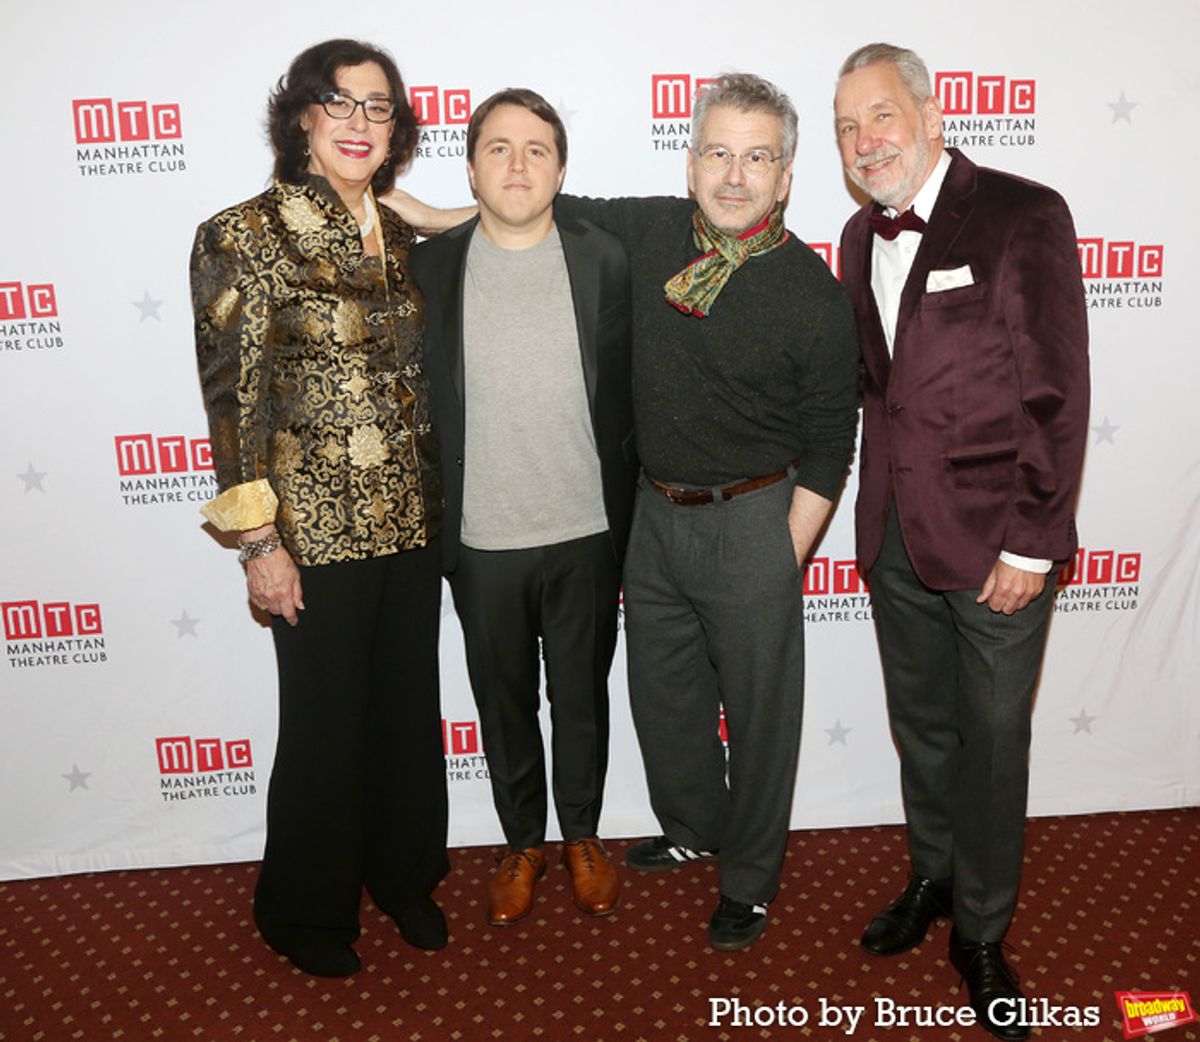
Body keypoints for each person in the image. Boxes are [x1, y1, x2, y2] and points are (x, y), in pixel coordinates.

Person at [551, 73, 858, 951]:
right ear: (690, 165)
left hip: (754, 521)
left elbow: (834, 438)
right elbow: (535, 201)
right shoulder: (649, 231)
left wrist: (781, 549)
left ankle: (751, 879)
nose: (734, 175)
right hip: (655, 515)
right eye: (718, 153)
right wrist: (420, 207)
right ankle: (694, 825)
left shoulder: (810, 291)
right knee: (665, 698)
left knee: (763, 718)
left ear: (786, 177)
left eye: (756, 157)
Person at [833, 43, 1089, 1039]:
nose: (866, 142)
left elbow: (1058, 394)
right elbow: (876, 386)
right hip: (896, 536)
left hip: (999, 547)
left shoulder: (1025, 213)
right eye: (849, 127)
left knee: (991, 744)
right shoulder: (859, 236)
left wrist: (1034, 539)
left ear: (933, 115)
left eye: (882, 116)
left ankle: (981, 929)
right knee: (927, 729)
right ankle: (933, 876)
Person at [190, 38, 448, 978]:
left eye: (379, 108)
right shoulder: (242, 235)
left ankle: (406, 877)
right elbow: (234, 406)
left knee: (405, 714)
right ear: (300, 115)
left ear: (397, 129)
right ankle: (304, 911)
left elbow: (507, 220)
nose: (358, 123)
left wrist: (410, 207)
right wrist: (259, 542)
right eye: (338, 103)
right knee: (326, 726)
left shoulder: (400, 231)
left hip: (414, 522)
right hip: (311, 534)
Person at [408, 89, 635, 927]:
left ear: (562, 170)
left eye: (536, 149)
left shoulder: (605, 260)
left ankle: (582, 837)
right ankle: (520, 843)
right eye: (497, 148)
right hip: (481, 538)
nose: (516, 164)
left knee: (581, 698)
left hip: (586, 529)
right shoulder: (428, 269)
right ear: (470, 167)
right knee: (502, 702)